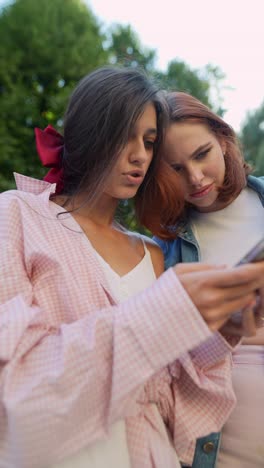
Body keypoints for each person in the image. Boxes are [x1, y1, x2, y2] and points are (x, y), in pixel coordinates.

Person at [0, 68, 264, 468]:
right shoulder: (16, 216)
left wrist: (221, 331)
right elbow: (15, 395)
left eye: (149, 141)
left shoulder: (152, 253)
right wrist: (164, 313)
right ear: (87, 132)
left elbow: (169, 398)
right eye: (123, 135)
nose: (139, 154)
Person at [154, 90, 264, 468]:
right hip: (211, 450)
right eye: (175, 168)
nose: (196, 178)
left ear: (223, 138)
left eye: (202, 155)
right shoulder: (163, 247)